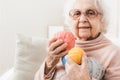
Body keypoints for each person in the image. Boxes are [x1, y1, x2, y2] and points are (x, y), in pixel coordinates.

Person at [34, 0, 120, 80]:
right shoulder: (61, 46)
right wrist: (49, 63)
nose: (82, 19)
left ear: (102, 19)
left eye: (90, 13)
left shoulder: (114, 53)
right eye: (77, 13)